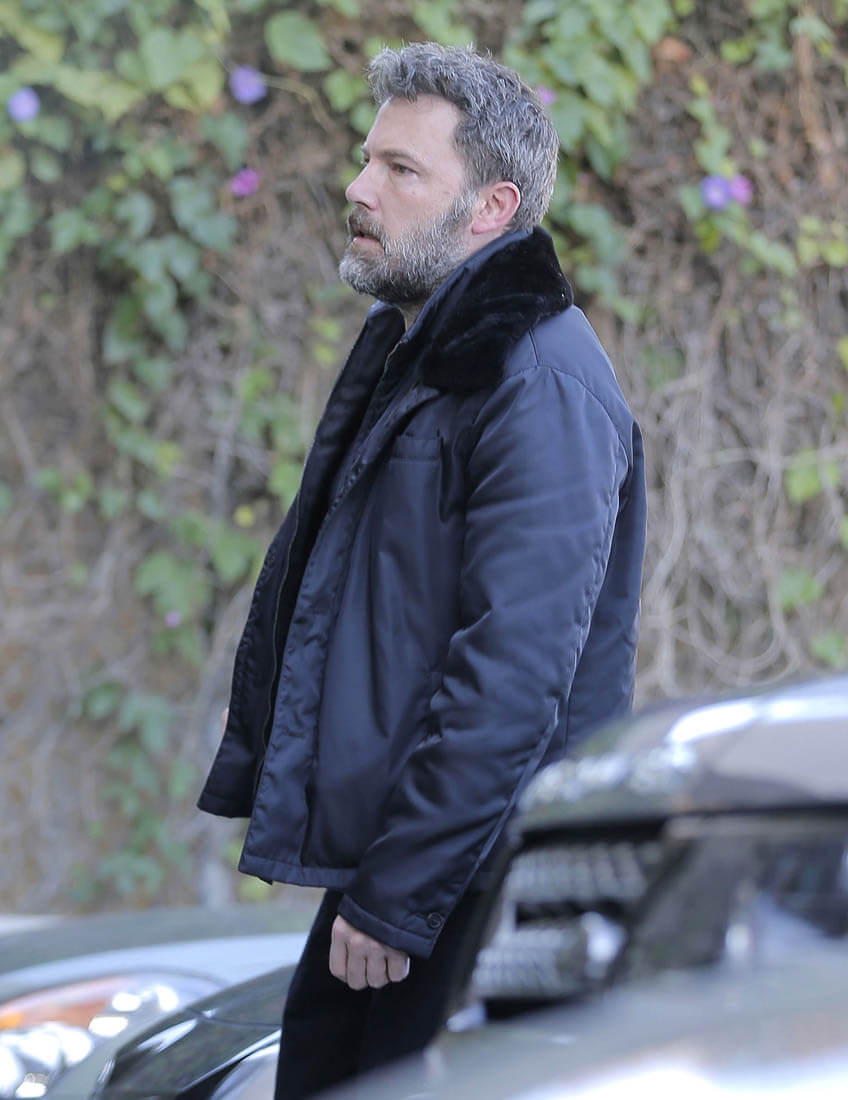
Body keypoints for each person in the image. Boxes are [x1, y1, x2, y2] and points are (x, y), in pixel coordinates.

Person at [198, 42, 646, 1099]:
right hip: (418, 873)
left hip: (470, 897)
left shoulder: (537, 378)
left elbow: (514, 672)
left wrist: (400, 894)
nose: (359, 188)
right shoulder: (426, 353)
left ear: (491, 207)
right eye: (368, 159)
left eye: (401, 169)